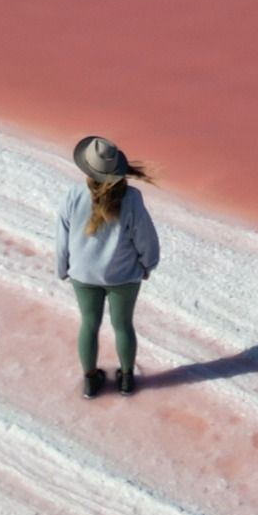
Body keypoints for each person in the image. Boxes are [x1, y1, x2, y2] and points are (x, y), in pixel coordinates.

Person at [56, 134, 159, 396]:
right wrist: (148, 265)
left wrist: (62, 267)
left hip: (83, 274)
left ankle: (91, 381)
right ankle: (126, 379)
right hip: (123, 275)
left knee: (89, 324)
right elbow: (145, 238)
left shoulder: (73, 195)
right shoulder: (132, 198)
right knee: (123, 326)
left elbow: (62, 237)